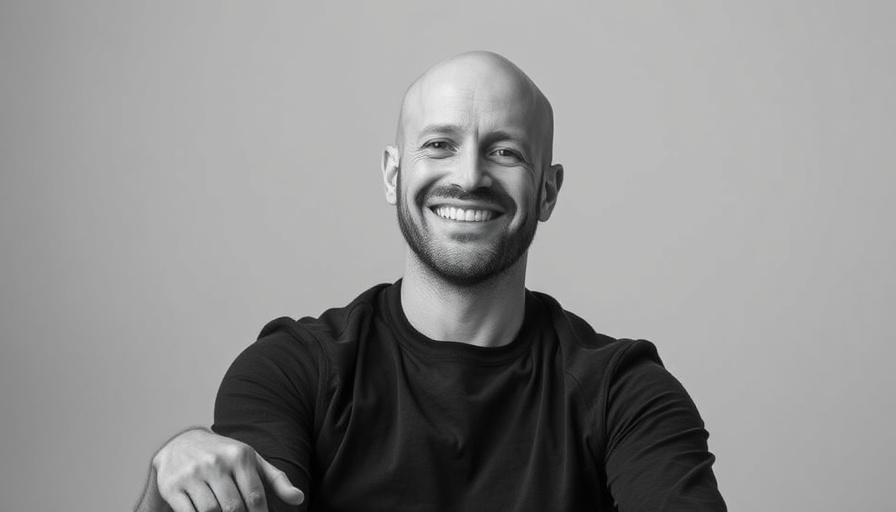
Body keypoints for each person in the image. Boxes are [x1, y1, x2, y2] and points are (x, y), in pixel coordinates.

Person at [136, 51, 726, 512]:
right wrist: (171, 481)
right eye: (440, 145)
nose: (469, 177)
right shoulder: (294, 371)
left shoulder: (627, 395)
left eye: (505, 151)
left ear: (547, 190)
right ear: (394, 174)